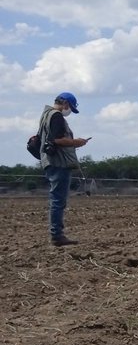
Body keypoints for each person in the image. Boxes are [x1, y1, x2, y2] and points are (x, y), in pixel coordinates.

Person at [38, 91, 90, 246]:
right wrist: (77, 142)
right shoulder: (57, 116)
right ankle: (57, 236)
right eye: (70, 108)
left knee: (57, 199)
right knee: (58, 200)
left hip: (50, 162)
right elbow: (58, 140)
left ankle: (57, 235)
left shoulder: (46, 114)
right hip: (59, 163)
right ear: (65, 103)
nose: (69, 111)